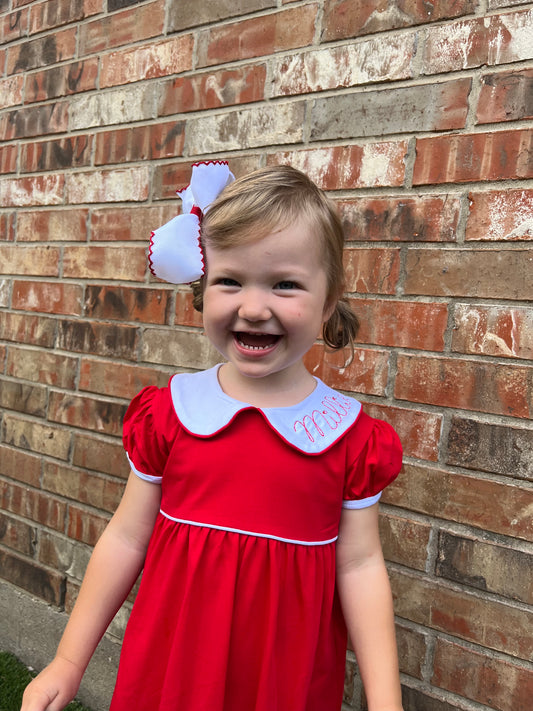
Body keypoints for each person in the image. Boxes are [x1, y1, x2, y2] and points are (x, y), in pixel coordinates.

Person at [21, 162, 404, 711]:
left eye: (285, 284)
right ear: (203, 284)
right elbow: (127, 539)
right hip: (173, 668)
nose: (253, 307)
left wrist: (384, 701)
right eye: (231, 280)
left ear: (328, 299)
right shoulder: (171, 414)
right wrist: (67, 660)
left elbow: (360, 566)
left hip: (282, 679)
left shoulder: (349, 437)